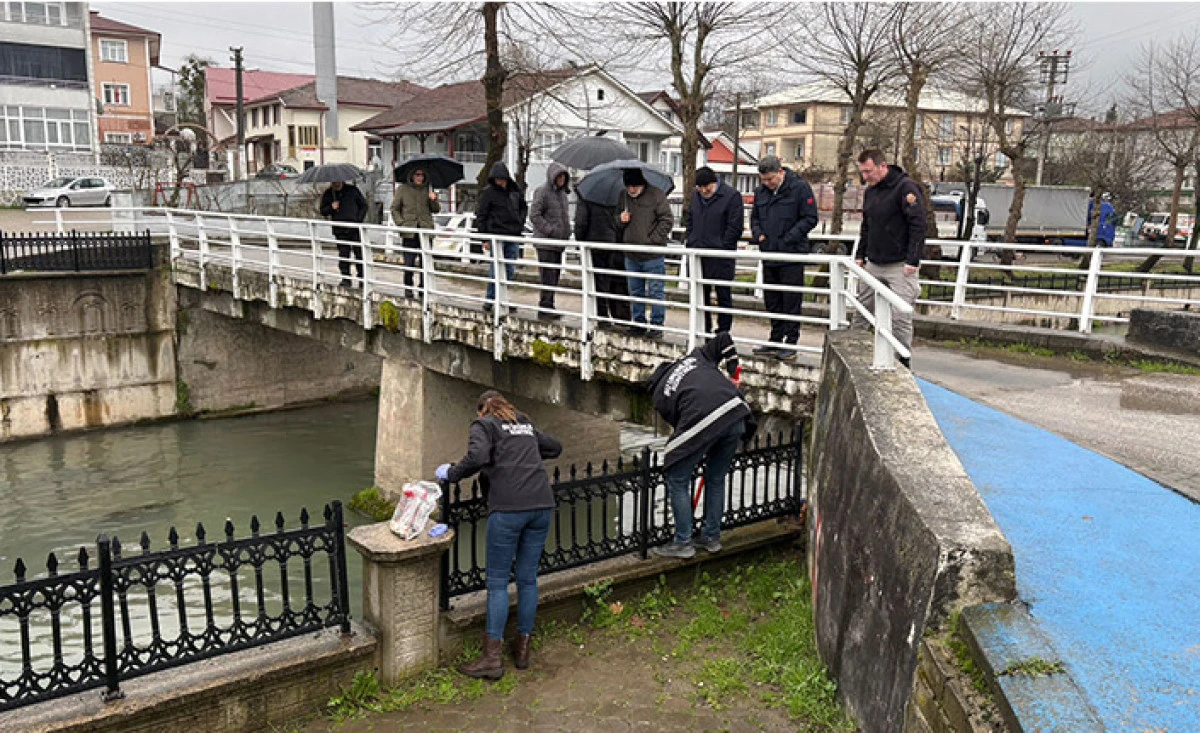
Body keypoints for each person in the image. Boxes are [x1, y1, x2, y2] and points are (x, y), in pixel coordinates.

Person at [437, 390, 563, 679]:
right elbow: (555, 448)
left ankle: (492, 659)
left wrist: (452, 474)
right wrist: (522, 451)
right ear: (507, 407)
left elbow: (478, 455)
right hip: (542, 505)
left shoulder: (484, 425)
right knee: (527, 578)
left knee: (496, 582)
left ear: (483, 410)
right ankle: (522, 650)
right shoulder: (524, 423)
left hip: (508, 509)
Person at [646, 331, 756, 558]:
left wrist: (680, 455)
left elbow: (682, 428)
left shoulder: (659, 393)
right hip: (736, 413)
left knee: (677, 475)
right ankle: (711, 537)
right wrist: (733, 371)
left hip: (706, 417)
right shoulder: (695, 357)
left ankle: (683, 541)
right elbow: (725, 338)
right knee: (716, 479)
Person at [853, 149, 925, 368]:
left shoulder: (906, 188)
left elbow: (918, 225)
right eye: (862, 173)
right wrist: (860, 254)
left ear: (882, 166)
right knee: (862, 309)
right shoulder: (870, 192)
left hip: (900, 263)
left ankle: (903, 359)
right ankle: (855, 353)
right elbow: (867, 226)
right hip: (874, 260)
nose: (866, 177)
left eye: (868, 172)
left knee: (900, 316)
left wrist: (913, 259)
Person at [749, 155, 818, 360]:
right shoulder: (761, 193)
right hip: (769, 252)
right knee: (772, 299)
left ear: (780, 172)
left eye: (770, 179)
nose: (767, 184)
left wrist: (789, 238)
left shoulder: (799, 188)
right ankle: (775, 338)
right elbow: (754, 218)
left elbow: (810, 217)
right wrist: (757, 233)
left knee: (791, 299)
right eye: (764, 180)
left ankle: (791, 341)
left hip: (791, 254)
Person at [685, 166, 744, 335]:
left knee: (723, 294)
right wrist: (691, 240)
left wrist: (723, 246)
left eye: (707, 187)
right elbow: (690, 219)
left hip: (720, 255)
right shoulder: (696, 196)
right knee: (699, 295)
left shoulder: (731, 196)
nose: (704, 191)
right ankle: (703, 328)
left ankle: (723, 332)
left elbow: (735, 227)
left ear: (714, 182)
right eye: (700, 187)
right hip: (698, 253)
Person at [615, 168, 673, 338]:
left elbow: (667, 220)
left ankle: (656, 325)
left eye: (635, 186)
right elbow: (615, 221)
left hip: (653, 254)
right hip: (631, 254)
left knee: (656, 291)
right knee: (635, 291)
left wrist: (652, 240)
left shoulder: (656, 195)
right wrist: (620, 219)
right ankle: (638, 323)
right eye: (628, 186)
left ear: (641, 184)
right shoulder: (623, 197)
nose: (631, 190)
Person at [475, 162, 528, 311]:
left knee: (509, 269)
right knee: (496, 269)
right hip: (496, 236)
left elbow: (523, 207)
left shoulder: (514, 190)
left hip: (513, 234)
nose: (500, 182)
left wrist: (519, 221)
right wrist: (484, 237)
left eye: (502, 179)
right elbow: (481, 215)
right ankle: (491, 299)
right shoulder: (488, 193)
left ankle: (502, 297)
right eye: (497, 179)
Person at [575, 195, 631, 325]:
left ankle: (602, 315)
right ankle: (620, 317)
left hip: (593, 243)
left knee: (597, 282)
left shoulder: (586, 197)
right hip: (611, 242)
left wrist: (580, 242)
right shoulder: (617, 197)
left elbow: (581, 223)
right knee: (610, 281)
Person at [529, 162, 572, 320]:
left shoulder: (563, 195)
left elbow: (563, 217)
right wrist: (550, 230)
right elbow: (534, 215)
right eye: (559, 176)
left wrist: (566, 232)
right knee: (547, 275)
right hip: (546, 243)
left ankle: (549, 305)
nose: (561, 179)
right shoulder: (542, 192)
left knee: (554, 276)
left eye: (563, 177)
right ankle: (544, 307)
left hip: (558, 243)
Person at [390, 168, 440, 298]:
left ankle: (423, 289)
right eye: (417, 175)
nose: (420, 178)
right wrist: (401, 223)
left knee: (425, 263)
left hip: (425, 230)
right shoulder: (403, 189)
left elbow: (436, 210)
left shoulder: (428, 189)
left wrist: (433, 199)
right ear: (412, 176)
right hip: (409, 231)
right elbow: (394, 208)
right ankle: (408, 288)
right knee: (409, 262)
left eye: (422, 175)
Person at [319, 180, 369, 287]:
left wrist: (358, 220)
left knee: (359, 254)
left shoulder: (353, 190)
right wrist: (331, 207)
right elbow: (323, 211)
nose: (335, 184)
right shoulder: (329, 194)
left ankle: (362, 279)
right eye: (333, 182)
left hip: (355, 227)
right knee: (344, 254)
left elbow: (364, 206)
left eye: (337, 182)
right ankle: (346, 278)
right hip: (340, 229)